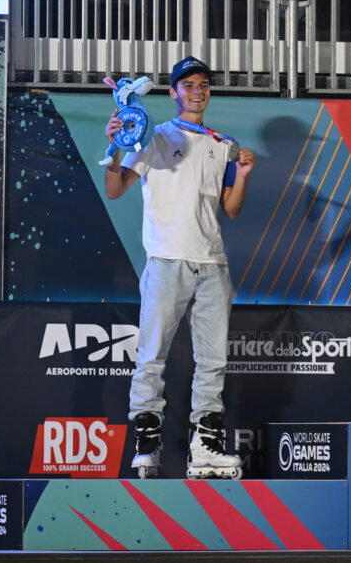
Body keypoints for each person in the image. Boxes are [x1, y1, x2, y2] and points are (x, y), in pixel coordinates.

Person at [105, 56, 255, 479]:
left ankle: (205, 449)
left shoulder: (223, 144)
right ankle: (146, 447)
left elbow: (230, 209)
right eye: (188, 84)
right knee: (151, 357)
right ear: (173, 92)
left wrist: (241, 175)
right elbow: (115, 189)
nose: (197, 91)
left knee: (213, 362)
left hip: (213, 266)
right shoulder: (152, 138)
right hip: (166, 262)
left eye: (204, 84)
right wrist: (115, 148)